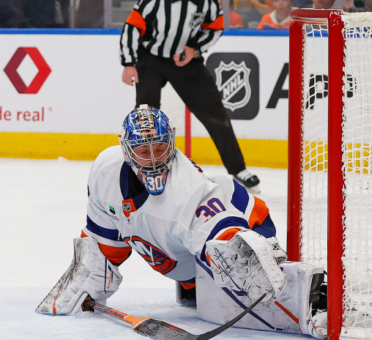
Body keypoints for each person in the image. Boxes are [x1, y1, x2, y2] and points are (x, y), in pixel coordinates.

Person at [36, 105, 328, 339]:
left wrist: (282, 290)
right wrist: (85, 286)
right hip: (186, 252)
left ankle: (319, 299)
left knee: (240, 273)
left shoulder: (187, 191)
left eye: (160, 148)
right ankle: (195, 284)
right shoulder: (106, 171)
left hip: (248, 222)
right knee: (199, 286)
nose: (152, 160)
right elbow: (104, 249)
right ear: (126, 150)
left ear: (172, 143)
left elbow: (230, 246)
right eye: (142, 150)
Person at [120, 0, 261, 192]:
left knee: (215, 113)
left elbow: (215, 29)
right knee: (146, 113)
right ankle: (142, 167)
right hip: (151, 59)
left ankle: (238, 169)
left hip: (186, 61)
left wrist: (194, 50)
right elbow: (132, 26)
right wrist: (128, 62)